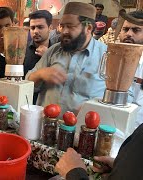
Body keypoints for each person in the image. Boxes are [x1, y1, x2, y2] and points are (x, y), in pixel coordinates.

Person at [55, 10, 143, 180]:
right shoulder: (111, 57)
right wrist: (122, 163)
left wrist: (75, 173)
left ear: (88, 28)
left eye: (136, 30)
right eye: (125, 29)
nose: (128, 34)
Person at [26, 2, 107, 116]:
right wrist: (40, 74)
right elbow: (26, 83)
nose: (64, 31)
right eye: (62, 26)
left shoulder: (106, 56)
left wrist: (95, 109)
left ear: (88, 28)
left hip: (83, 130)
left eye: (70, 26)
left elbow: (122, 101)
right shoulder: (53, 51)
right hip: (45, 125)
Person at [24, 10, 57, 104]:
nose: (36, 31)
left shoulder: (57, 52)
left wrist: (48, 56)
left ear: (50, 28)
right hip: (26, 101)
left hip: (50, 104)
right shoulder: (22, 51)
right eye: (32, 28)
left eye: (40, 27)